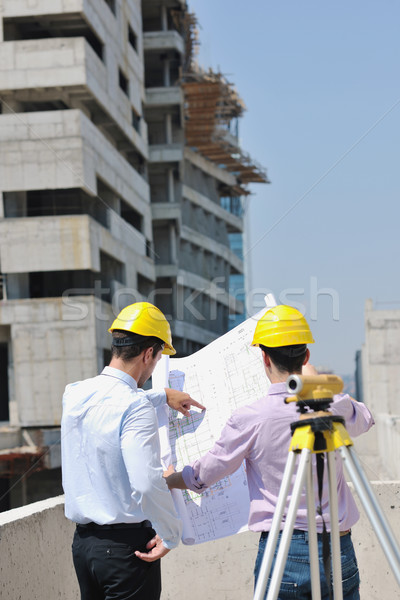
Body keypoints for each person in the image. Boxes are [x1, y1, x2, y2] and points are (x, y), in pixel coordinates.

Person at [166, 304, 374, 599]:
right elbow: (365, 418)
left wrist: (172, 479)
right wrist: (317, 388)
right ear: (306, 356)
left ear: (264, 357)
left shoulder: (251, 418)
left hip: (286, 551)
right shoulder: (332, 404)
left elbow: (206, 473)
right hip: (339, 547)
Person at [61, 301, 205, 600]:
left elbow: (111, 406)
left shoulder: (74, 393)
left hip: (84, 548)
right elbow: (147, 482)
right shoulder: (134, 405)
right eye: (157, 359)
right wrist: (170, 533)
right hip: (127, 551)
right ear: (148, 353)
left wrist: (161, 395)